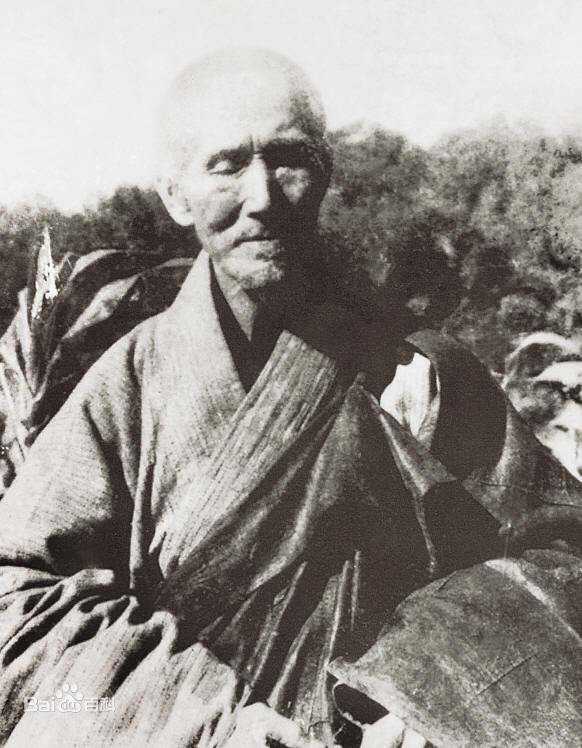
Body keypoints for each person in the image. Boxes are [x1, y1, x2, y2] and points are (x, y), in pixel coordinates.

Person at [0, 48, 580, 748]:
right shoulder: (128, 388)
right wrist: (206, 723)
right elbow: (14, 606)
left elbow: (560, 555)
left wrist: (429, 690)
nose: (263, 197)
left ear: (326, 174)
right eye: (225, 165)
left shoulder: (419, 374)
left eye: (288, 159)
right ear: (175, 195)